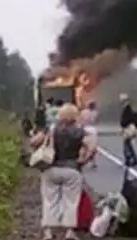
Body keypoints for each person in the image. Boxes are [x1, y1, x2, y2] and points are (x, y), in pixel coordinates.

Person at [29, 103, 94, 240]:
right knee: (71, 202)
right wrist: (83, 160)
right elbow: (91, 148)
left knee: (49, 200)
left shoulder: (51, 129)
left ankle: (48, 232)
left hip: (51, 168)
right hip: (72, 170)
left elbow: (33, 142)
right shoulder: (79, 131)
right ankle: (69, 232)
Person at [79, 101, 99, 169]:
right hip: (92, 129)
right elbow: (96, 121)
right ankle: (94, 162)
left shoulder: (83, 112)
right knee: (93, 147)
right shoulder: (95, 113)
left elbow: (80, 121)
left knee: (83, 146)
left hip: (85, 128)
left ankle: (81, 159)